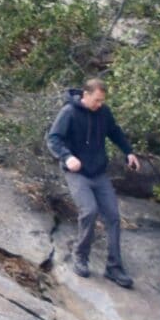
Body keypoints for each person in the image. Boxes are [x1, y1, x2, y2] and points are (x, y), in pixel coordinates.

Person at [46, 78, 141, 287]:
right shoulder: (69, 112)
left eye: (102, 101)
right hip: (77, 172)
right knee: (89, 210)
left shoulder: (103, 113)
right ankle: (80, 256)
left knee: (114, 217)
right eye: (97, 100)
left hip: (99, 172)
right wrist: (67, 157)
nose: (100, 104)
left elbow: (114, 131)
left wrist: (129, 152)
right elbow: (53, 139)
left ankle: (114, 268)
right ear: (85, 95)